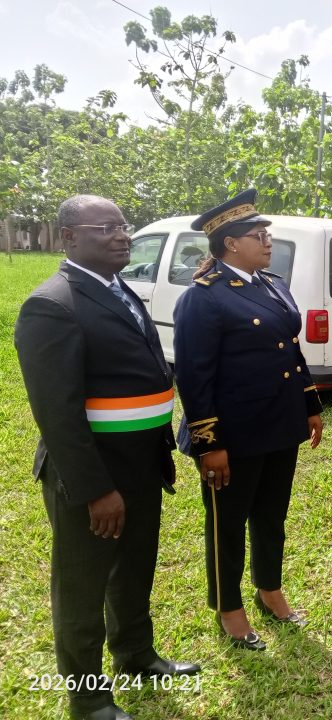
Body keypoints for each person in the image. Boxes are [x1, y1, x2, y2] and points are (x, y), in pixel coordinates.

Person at [14, 195, 200, 720]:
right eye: (107, 228)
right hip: (95, 474)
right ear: (69, 237)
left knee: (134, 569)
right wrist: (95, 490)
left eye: (124, 226)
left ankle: (137, 656)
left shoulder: (120, 290)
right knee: (82, 585)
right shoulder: (52, 304)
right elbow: (58, 415)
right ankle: (89, 699)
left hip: (141, 463)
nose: (122, 235)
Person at [173, 189, 324, 651]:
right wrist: (208, 442)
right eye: (258, 235)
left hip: (279, 424)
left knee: (271, 514)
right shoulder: (204, 297)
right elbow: (194, 378)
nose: (268, 241)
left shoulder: (272, 283)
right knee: (227, 521)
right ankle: (228, 606)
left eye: (267, 234)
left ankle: (269, 588)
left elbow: (290, 351)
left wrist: (311, 405)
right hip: (233, 434)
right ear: (230, 244)